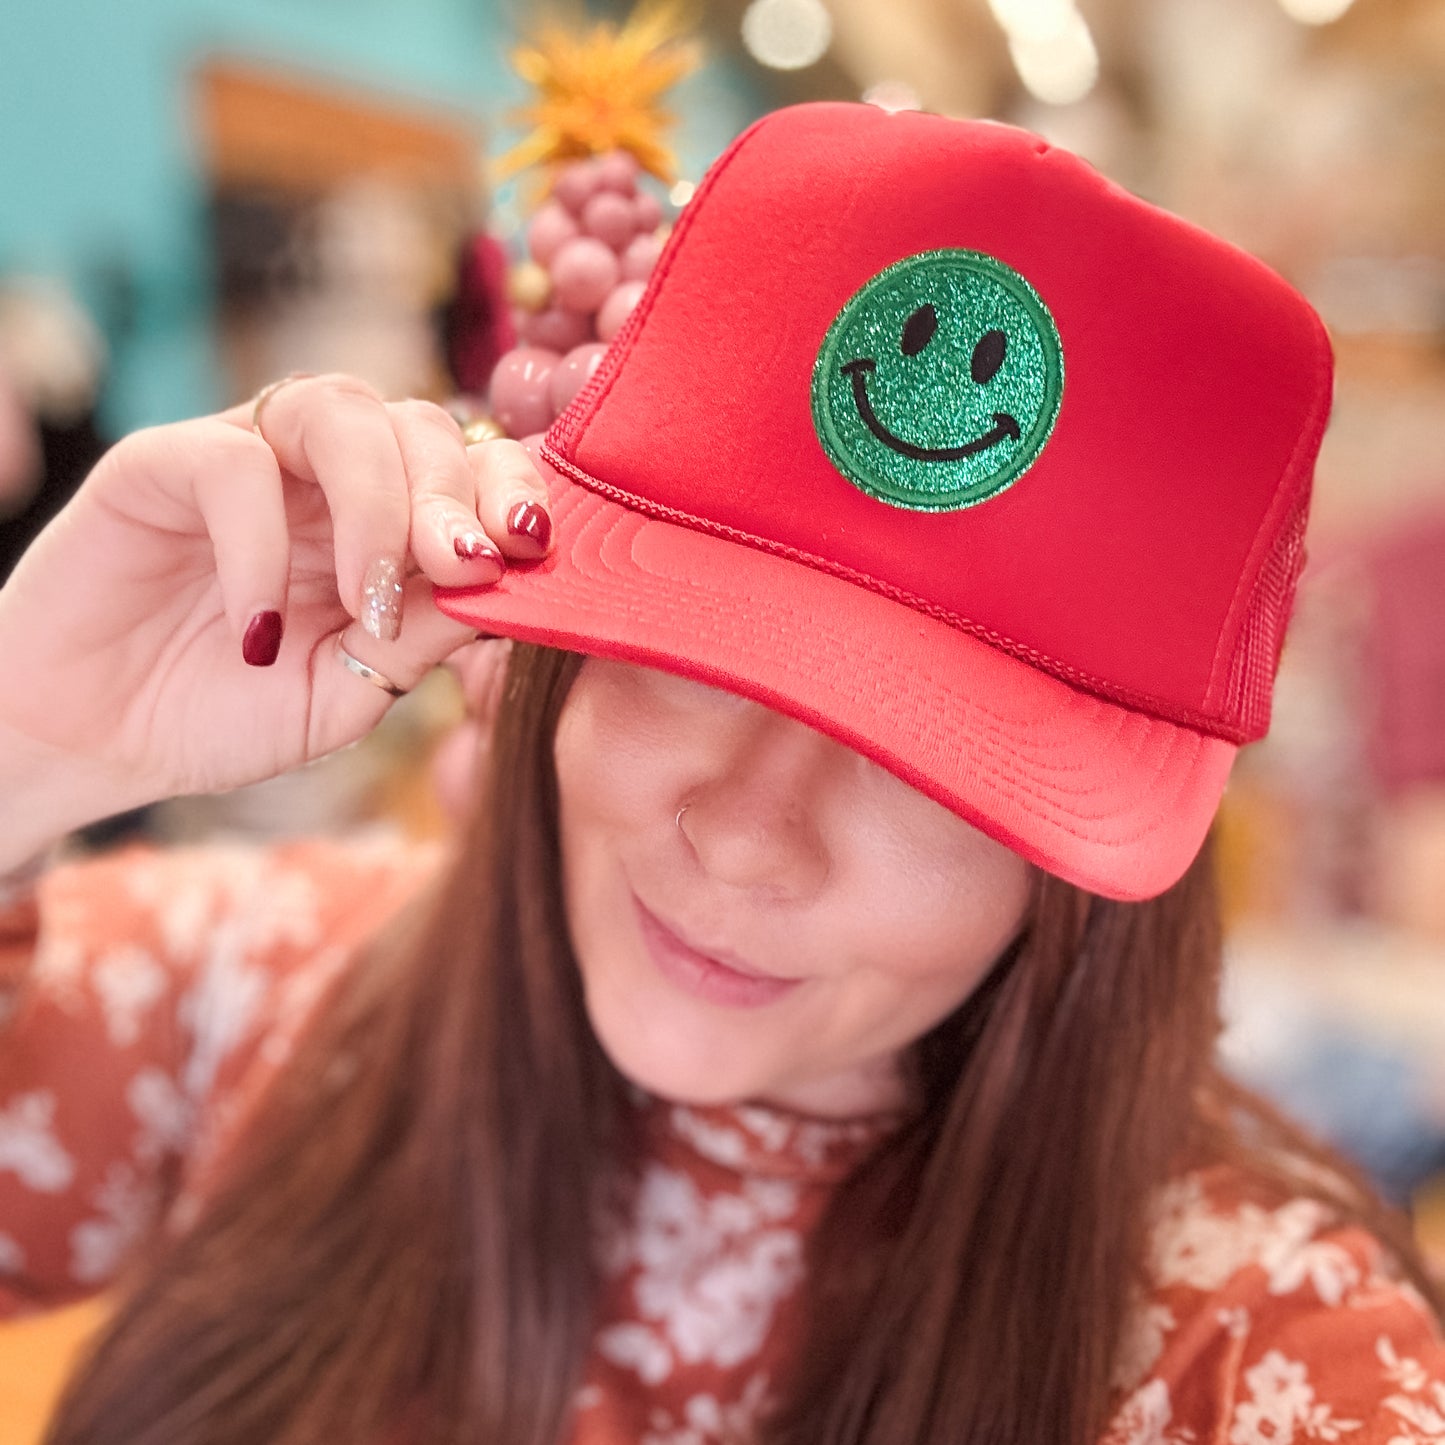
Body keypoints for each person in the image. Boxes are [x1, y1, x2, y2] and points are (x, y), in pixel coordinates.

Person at [1, 102, 1442, 1445]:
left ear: (1072, 875)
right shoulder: (268, 991)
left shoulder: (1257, 1356)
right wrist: (32, 745)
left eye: (926, 759)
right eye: (690, 655)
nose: (749, 837)